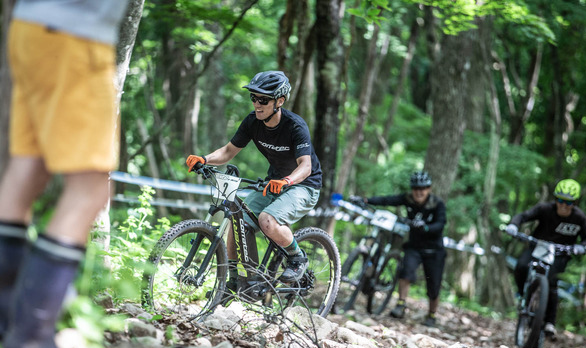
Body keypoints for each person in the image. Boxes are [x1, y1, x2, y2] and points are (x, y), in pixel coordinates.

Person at [0, 0, 129, 348]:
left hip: (32, 28)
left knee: (29, 168)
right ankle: (30, 336)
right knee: (92, 188)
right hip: (76, 34)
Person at [186, 71, 322, 295]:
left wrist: (286, 181)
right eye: (254, 98)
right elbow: (229, 151)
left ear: (279, 101)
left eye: (264, 100)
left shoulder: (295, 126)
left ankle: (297, 258)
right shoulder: (252, 122)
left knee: (267, 220)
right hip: (274, 184)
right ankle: (240, 281)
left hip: (304, 185)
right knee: (238, 219)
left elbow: (305, 166)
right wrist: (204, 159)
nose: (257, 104)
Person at [354, 171, 446, 327]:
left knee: (434, 285)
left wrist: (426, 227)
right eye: (416, 188)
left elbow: (441, 224)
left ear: (429, 189)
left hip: (434, 250)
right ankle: (401, 304)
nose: (419, 192)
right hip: (414, 247)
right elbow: (387, 200)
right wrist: (365, 200)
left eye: (423, 188)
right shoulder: (408, 199)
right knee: (406, 272)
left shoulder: (437, 204)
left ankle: (431, 315)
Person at [505, 178, 586, 339]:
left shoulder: (579, 218)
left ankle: (549, 323)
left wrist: (581, 247)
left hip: (560, 254)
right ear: (555, 199)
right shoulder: (544, 209)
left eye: (568, 202)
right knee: (521, 267)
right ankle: (521, 294)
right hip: (537, 246)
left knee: (552, 283)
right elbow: (523, 216)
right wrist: (513, 225)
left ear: (575, 202)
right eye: (560, 200)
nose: (563, 205)